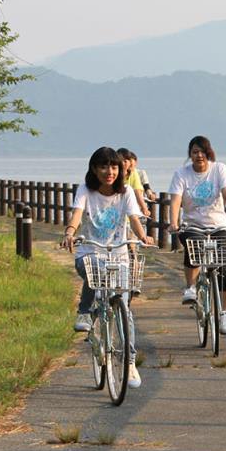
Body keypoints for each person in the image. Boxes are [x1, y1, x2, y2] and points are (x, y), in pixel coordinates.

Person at [62, 146, 155, 388]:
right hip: (90, 253)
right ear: (94, 169)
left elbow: (134, 220)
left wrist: (143, 237)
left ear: (121, 169)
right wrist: (70, 232)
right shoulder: (85, 190)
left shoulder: (125, 194)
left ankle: (130, 362)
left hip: (118, 256)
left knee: (124, 308)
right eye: (103, 166)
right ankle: (85, 311)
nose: (109, 171)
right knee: (92, 271)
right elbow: (76, 214)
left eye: (114, 166)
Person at [167, 135, 226, 335]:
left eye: (202, 151)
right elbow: (175, 200)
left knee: (223, 269)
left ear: (208, 153)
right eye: (194, 152)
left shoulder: (219, 169)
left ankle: (224, 312)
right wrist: (173, 222)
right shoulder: (181, 174)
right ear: (190, 155)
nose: (199, 155)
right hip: (193, 224)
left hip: (218, 224)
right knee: (195, 244)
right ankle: (191, 287)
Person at [116, 147, 149, 213]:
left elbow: (137, 192)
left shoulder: (133, 174)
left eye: (126, 161)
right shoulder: (113, 174)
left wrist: (144, 208)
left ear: (129, 162)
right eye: (121, 160)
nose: (123, 163)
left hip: (130, 210)